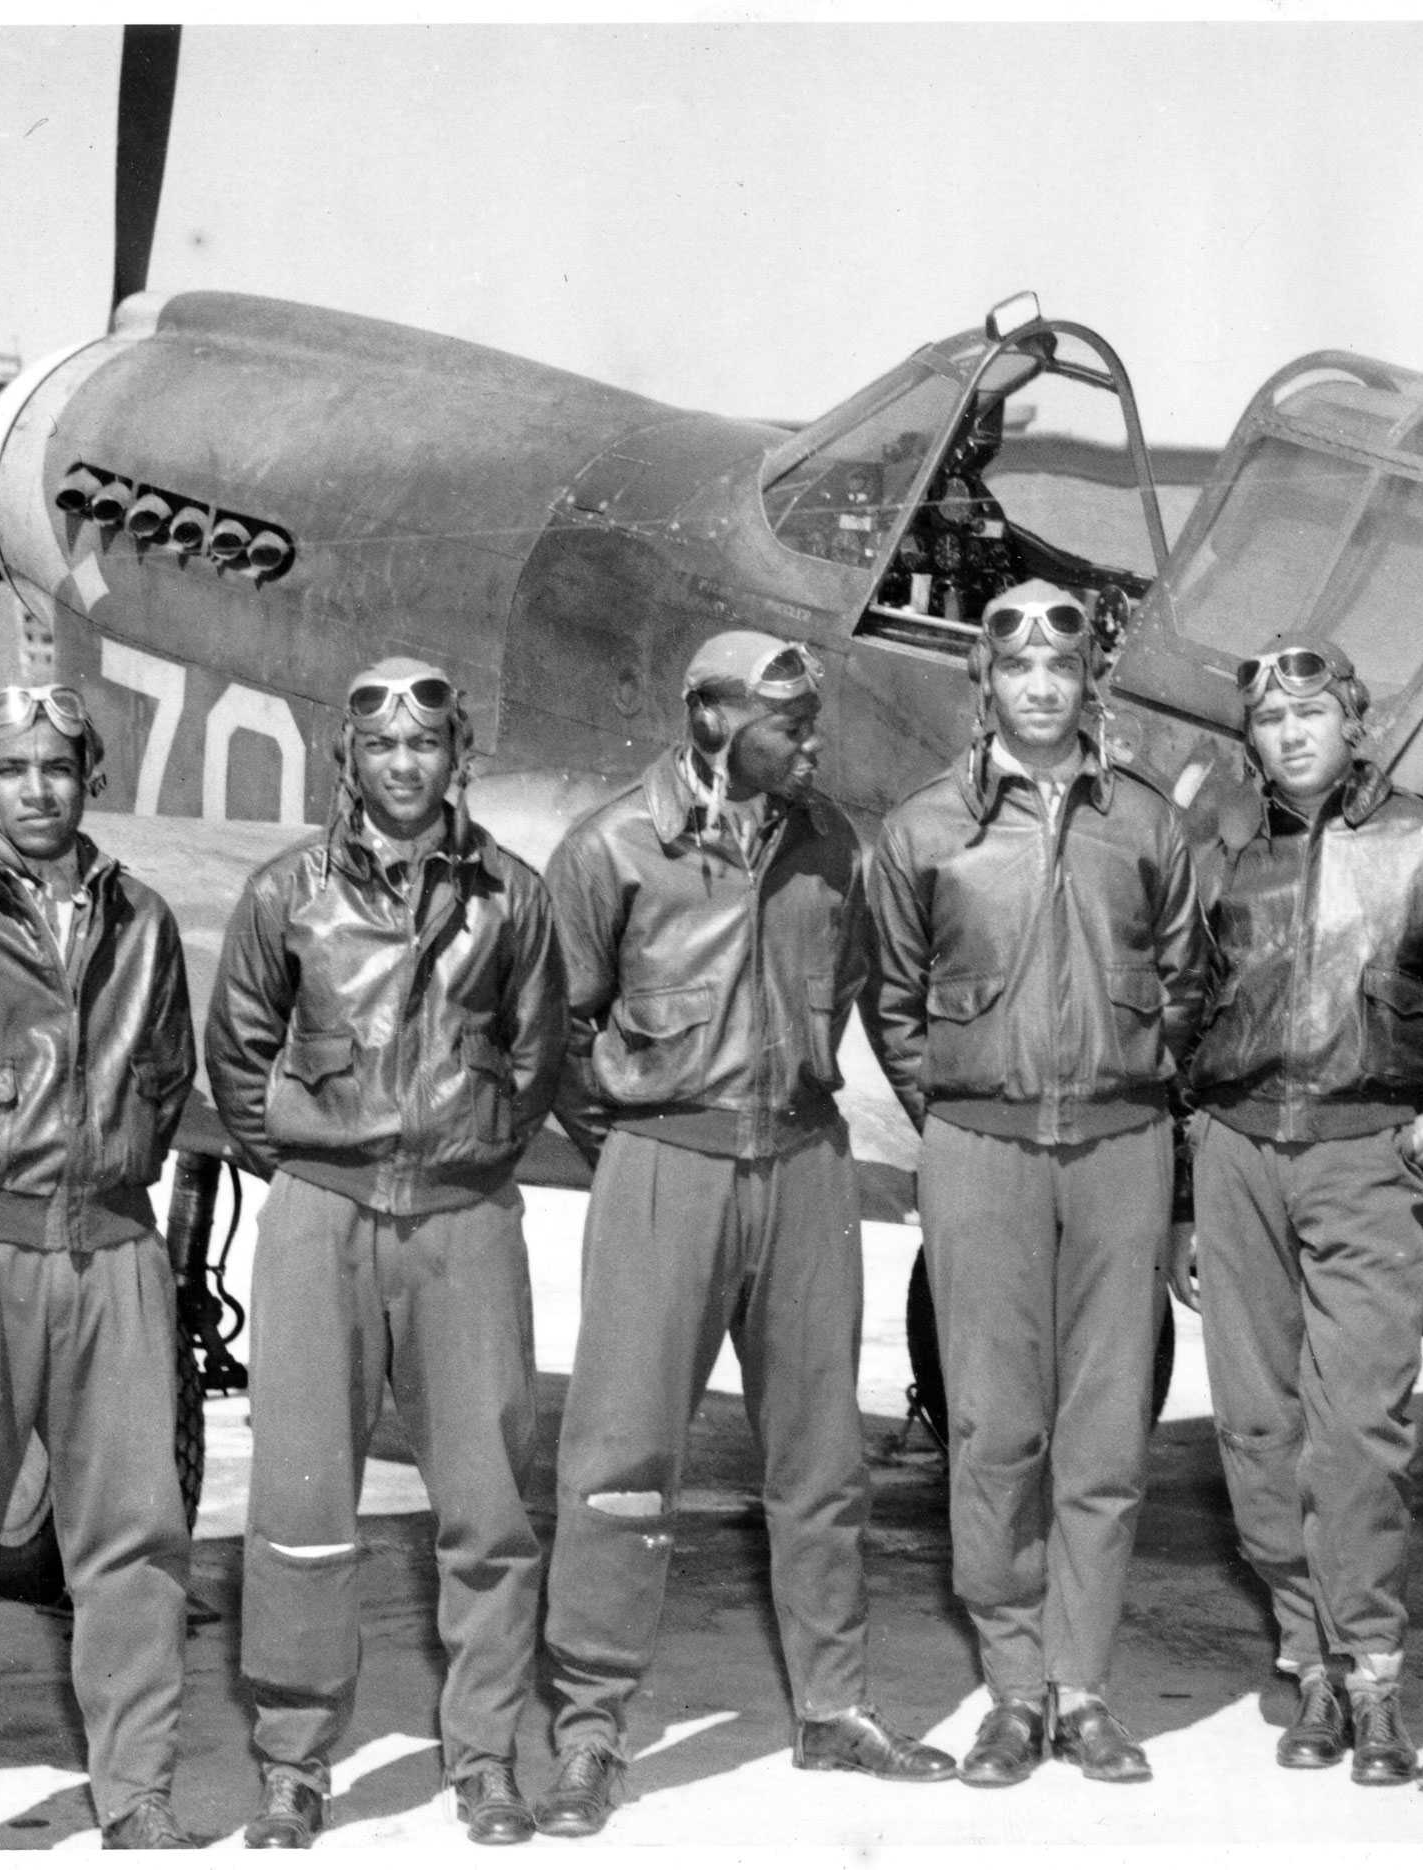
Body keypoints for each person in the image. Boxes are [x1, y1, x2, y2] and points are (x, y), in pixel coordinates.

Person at [537, 630, 954, 1837]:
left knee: (823, 1458)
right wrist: (635, 1140)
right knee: (619, 1458)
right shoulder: (612, 846)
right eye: (789, 720)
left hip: (807, 1164)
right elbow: (556, 1029)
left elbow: (874, 995)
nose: (813, 739)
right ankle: (590, 1729)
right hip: (666, 1163)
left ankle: (834, 1708)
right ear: (714, 719)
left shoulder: (830, 842)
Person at [206, 659, 567, 1848]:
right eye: (381, 747)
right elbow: (240, 1054)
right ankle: (295, 1762)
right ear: (348, 760)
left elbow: (536, 1054)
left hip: (465, 1225)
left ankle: (484, 1758)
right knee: (303, 1498)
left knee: (489, 1505)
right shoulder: (285, 896)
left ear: (456, 753)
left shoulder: (511, 896)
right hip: (324, 1216)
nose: (403, 765)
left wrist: (465, 1151)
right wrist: (319, 1167)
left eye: (425, 744)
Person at [867, 578, 1206, 1787]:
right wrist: (959, 1112)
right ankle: (1013, 1688)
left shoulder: (1150, 829)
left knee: (1106, 1436)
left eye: (1063, 670)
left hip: (1122, 1145)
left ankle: (1087, 1687)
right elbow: (893, 1002)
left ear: (1088, 683)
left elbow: (1190, 991)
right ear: (987, 684)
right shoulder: (922, 832)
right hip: (980, 1150)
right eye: (1018, 671)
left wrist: (1149, 1132)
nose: (1043, 688)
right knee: (994, 1429)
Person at [0, 686, 198, 1849]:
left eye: (60, 768)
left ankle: (136, 1794)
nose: (39, 789)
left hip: (114, 1252)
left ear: (92, 779)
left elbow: (166, 1075)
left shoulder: (147, 921)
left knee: (133, 1539)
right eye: (14, 768)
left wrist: (109, 1177)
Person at [1174, 637, 1423, 1785]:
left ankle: (1377, 1672)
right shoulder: (1221, 855)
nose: (1293, 734)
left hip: (1361, 1156)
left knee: (1356, 1435)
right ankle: (1312, 1665)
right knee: (1254, 1431)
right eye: (1273, 719)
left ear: (1358, 721)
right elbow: (1183, 1019)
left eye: (1315, 712)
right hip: (1237, 1150)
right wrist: (1187, 1201)